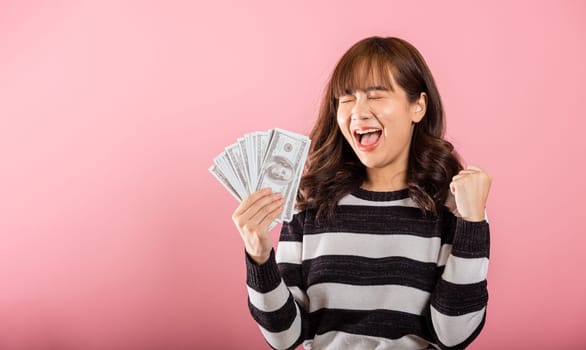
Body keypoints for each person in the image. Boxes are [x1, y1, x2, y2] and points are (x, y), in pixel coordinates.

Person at [231, 36, 492, 350]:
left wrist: (473, 223)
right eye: (346, 98)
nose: (358, 111)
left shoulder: (453, 207)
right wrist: (259, 258)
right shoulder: (309, 204)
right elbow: (285, 337)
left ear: (418, 106)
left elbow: (454, 334)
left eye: (376, 96)